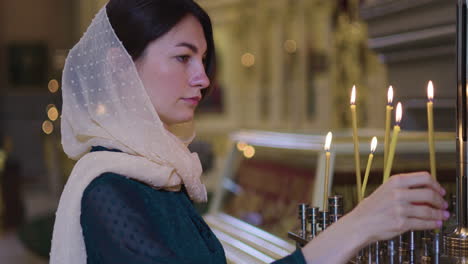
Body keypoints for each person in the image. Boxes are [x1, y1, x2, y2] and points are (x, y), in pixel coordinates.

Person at [49, 0, 448, 263]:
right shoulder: (110, 189)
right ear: (120, 66)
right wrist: (359, 224)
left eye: (203, 59)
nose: (203, 78)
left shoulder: (159, 174)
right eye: (183, 57)